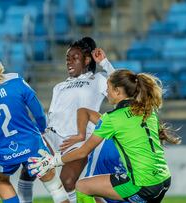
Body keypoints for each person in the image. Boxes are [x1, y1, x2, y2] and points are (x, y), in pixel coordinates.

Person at [29, 69, 181, 203]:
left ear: (117, 91)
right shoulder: (147, 111)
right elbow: (87, 113)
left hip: (142, 184)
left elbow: (83, 152)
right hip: (163, 179)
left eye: (108, 88)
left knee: (82, 187)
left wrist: (52, 161)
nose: (106, 92)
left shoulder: (112, 118)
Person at [0, 47, 69, 203]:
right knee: (54, 187)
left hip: (4, 153)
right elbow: (38, 112)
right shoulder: (15, 80)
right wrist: (42, 131)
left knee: (2, 180)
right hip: (31, 144)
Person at [17, 37, 116, 203]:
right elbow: (53, 114)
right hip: (52, 135)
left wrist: (105, 63)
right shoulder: (59, 86)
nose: (69, 62)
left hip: (79, 139)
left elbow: (120, 86)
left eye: (74, 58)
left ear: (86, 60)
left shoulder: (98, 79)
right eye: (67, 59)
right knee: (29, 168)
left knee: (68, 182)